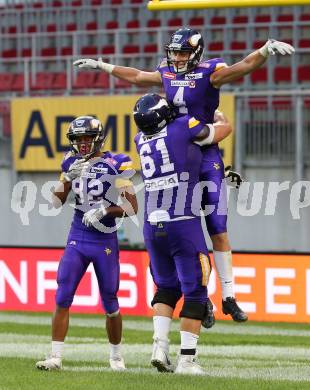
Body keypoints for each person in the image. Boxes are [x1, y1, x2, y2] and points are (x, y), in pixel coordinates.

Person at [74, 28, 295, 326]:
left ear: (197, 53)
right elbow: (139, 77)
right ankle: (201, 299)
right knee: (182, 224)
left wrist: (265, 50)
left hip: (204, 148)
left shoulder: (210, 72)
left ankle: (228, 296)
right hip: (175, 149)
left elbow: (242, 67)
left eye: (183, 53)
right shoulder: (166, 71)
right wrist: (105, 66)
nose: (177, 58)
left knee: (217, 224)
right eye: (174, 52)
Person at [133, 93, 232, 374]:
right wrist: (223, 119)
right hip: (182, 220)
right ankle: (187, 360)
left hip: (152, 224)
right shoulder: (181, 127)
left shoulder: (140, 139)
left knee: (166, 288)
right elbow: (220, 132)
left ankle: (159, 348)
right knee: (196, 291)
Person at [35, 116, 138, 371]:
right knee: (63, 293)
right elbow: (56, 201)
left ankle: (116, 357)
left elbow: (132, 206)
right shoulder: (70, 162)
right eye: (78, 139)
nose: (82, 144)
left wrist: (104, 209)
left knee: (110, 301)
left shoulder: (117, 162)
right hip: (78, 234)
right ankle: (55, 357)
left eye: (87, 138)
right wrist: (66, 179)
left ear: (98, 138)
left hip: (104, 237)